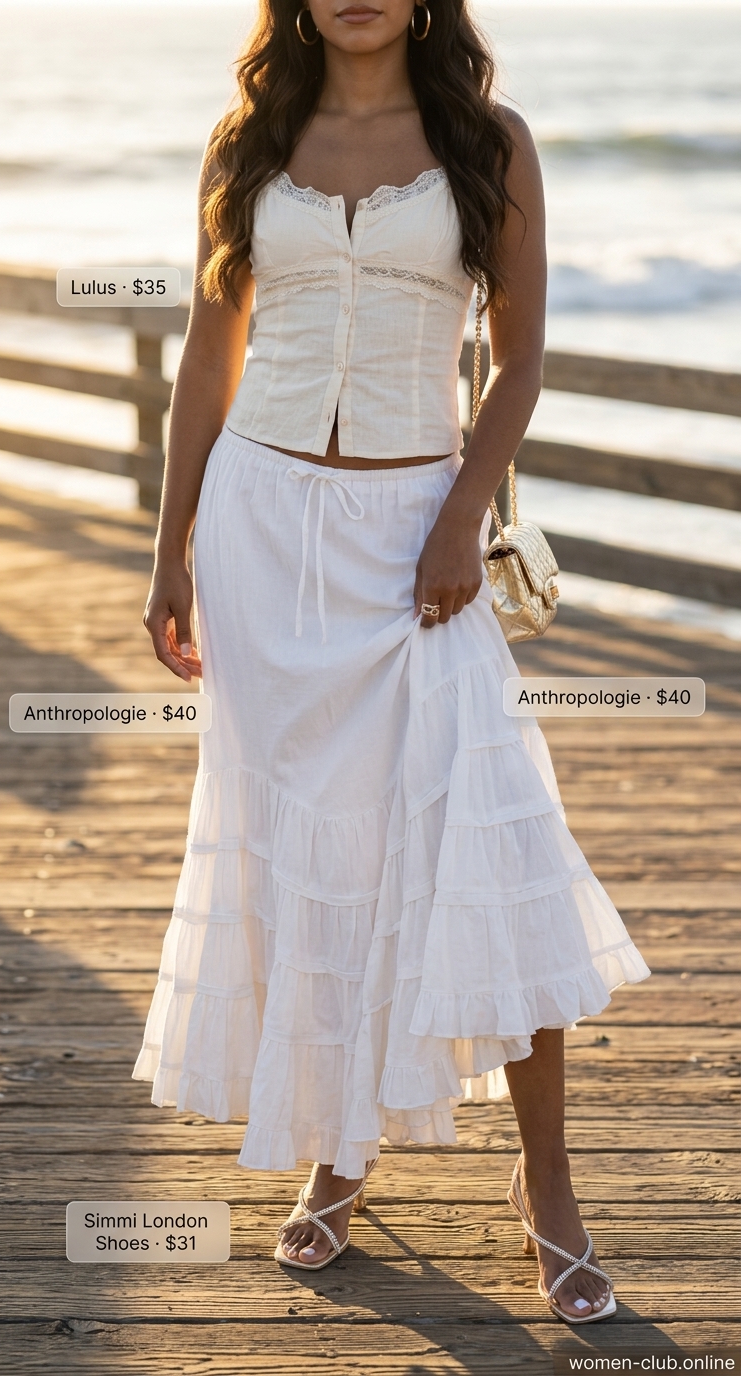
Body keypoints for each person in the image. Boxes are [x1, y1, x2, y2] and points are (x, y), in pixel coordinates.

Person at [133, 0, 649, 1324]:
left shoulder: (489, 140)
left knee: (496, 846)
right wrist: (170, 545)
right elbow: (211, 351)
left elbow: (520, 360)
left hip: (416, 537)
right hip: (263, 534)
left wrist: (461, 519)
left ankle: (551, 1190)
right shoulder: (247, 142)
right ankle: (336, 1153)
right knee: (316, 859)